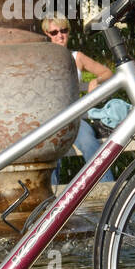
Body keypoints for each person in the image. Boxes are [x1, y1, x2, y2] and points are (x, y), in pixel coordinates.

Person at [42, 14, 114, 184]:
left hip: (75, 119)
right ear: (47, 34)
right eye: (54, 32)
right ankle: (52, 201)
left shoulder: (77, 57)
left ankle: (109, 188)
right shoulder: (43, 59)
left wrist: (96, 80)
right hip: (52, 120)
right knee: (51, 150)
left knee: (90, 143)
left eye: (64, 30)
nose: (60, 35)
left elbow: (107, 72)